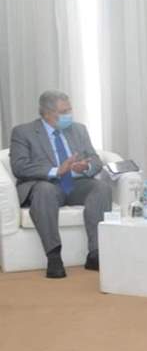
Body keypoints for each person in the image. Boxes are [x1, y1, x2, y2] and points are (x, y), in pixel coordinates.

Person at [9, 90, 112, 278]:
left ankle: (95, 253)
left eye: (70, 110)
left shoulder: (78, 129)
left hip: (75, 184)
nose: (69, 115)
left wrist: (86, 166)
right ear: (47, 113)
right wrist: (57, 170)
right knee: (45, 190)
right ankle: (54, 256)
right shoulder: (23, 132)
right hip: (45, 185)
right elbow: (20, 167)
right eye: (64, 112)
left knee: (101, 188)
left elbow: (95, 159)